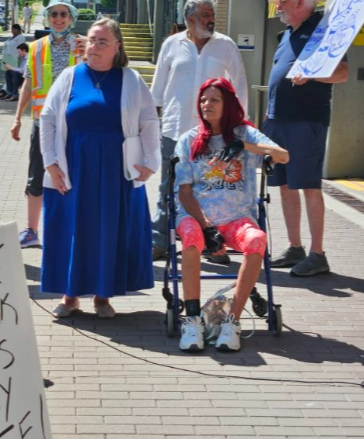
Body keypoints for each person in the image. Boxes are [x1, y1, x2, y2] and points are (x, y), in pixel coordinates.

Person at [40, 18, 161, 319]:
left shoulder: (131, 79)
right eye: (92, 40)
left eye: (102, 41)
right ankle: (69, 297)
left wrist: (150, 164)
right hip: (74, 165)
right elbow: (48, 119)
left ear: (117, 47)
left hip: (115, 170)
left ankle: (103, 296)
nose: (94, 46)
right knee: (74, 228)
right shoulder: (70, 76)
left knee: (108, 230)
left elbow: (149, 123)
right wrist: (50, 163)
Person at [174, 78, 289, 352]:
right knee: (190, 238)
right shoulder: (189, 140)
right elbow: (185, 193)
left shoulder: (245, 134)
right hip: (197, 218)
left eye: (214, 100)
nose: (206, 105)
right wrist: (206, 226)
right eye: (203, 100)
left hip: (238, 218)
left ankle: (231, 321)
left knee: (257, 240)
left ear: (228, 105)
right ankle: (192, 322)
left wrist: (243, 146)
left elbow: (283, 155)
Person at [149, 0, 248, 264]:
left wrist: (240, 127)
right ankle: (159, 241)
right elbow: (158, 90)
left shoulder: (226, 45)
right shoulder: (172, 45)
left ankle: (213, 245)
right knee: (167, 188)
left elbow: (239, 85)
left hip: (213, 134)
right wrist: (148, 126)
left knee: (212, 190)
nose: (211, 19)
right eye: (206, 15)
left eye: (212, 14)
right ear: (190, 19)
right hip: (175, 129)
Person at [264, 0, 348, 276]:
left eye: (281, 1)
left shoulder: (323, 30)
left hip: (306, 121)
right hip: (279, 121)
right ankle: (295, 248)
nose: (276, 6)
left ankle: (318, 254)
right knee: (286, 185)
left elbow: (342, 73)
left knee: (309, 186)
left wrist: (312, 75)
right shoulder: (288, 31)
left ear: (300, 3)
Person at [10, 0, 84, 248]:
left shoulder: (82, 45)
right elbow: (29, 84)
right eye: (54, 14)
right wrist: (17, 117)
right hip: (43, 124)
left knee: (74, 176)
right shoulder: (36, 47)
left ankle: (75, 229)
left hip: (75, 123)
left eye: (63, 14)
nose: (59, 19)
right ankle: (31, 231)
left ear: (71, 18)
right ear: (47, 17)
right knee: (36, 175)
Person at [0, 24, 26, 101]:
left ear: (18, 29)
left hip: (15, 58)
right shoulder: (12, 37)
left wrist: (18, 57)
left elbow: (21, 48)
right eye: (12, 29)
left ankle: (10, 92)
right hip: (9, 57)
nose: (12, 31)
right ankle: (8, 92)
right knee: (8, 73)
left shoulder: (20, 37)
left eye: (14, 29)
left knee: (13, 73)